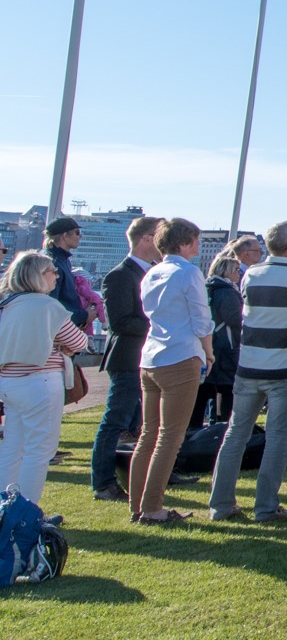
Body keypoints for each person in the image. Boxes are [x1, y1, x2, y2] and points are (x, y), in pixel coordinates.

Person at [208, 220, 287, 522]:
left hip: (249, 365)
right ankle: (265, 506)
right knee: (277, 437)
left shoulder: (252, 274)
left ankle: (220, 504)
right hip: (286, 367)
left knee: (236, 434)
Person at [132, 217, 212, 524]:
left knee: (149, 434)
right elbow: (201, 319)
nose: (198, 245)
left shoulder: (152, 272)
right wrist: (209, 351)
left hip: (151, 356)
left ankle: (138, 504)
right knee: (169, 437)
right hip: (180, 356)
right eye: (195, 240)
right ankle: (152, 507)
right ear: (184, 242)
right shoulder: (189, 273)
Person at [0, 251, 93, 509]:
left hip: (9, 381)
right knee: (39, 449)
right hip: (39, 381)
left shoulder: (6, 304)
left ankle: (5, 503)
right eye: (52, 271)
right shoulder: (48, 306)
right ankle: (27, 509)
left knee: (13, 445)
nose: (57, 275)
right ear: (39, 276)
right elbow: (77, 341)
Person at [89, 215, 159, 501]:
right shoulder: (120, 275)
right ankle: (104, 483)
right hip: (128, 359)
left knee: (145, 422)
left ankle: (148, 473)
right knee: (116, 423)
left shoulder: (154, 271)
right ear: (146, 239)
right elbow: (119, 322)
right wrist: (162, 323)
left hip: (149, 358)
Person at [197, 247, 245, 426]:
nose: (239, 274)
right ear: (225, 271)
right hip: (227, 346)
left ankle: (198, 426)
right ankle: (223, 424)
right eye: (235, 271)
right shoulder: (227, 292)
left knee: (205, 387)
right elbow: (235, 319)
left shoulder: (206, 287)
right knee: (227, 389)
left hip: (208, 343)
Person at [41, 216, 90, 331]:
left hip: (66, 328)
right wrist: (84, 316)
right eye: (77, 233)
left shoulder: (63, 261)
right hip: (59, 335)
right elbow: (51, 304)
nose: (80, 236)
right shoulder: (53, 263)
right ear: (64, 235)